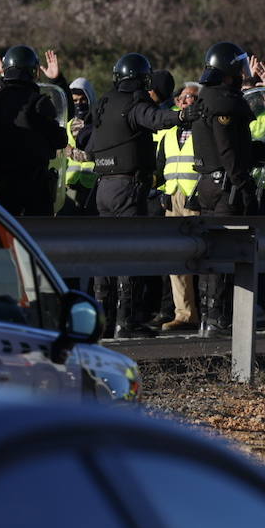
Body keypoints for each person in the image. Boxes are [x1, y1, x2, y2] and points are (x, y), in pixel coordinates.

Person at [79, 52, 185, 338]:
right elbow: (154, 118)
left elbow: (85, 136)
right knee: (128, 252)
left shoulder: (103, 102)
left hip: (101, 187)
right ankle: (124, 322)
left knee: (103, 254)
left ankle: (102, 320)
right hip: (127, 187)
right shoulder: (134, 103)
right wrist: (181, 115)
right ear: (142, 78)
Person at [191, 42, 264, 335]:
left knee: (211, 252)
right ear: (229, 70)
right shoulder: (224, 101)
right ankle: (217, 319)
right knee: (222, 252)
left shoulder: (206, 97)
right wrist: (243, 184)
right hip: (224, 186)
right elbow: (228, 150)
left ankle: (209, 317)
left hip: (208, 183)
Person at [0, 45, 67, 218]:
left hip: (0, 190)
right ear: (33, 71)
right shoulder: (39, 102)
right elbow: (60, 140)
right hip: (34, 190)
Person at [153, 81, 204, 331]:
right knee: (177, 259)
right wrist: (163, 192)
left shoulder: (205, 128)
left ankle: (208, 311)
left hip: (198, 198)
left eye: (191, 97)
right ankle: (185, 314)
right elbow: (161, 167)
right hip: (173, 199)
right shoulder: (168, 132)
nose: (186, 101)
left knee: (204, 257)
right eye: (182, 98)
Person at [60, 77, 97, 214]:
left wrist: (71, 151)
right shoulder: (68, 124)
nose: (79, 104)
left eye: (83, 100)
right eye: (75, 101)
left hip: (92, 187)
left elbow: (95, 155)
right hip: (70, 186)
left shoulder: (98, 125)